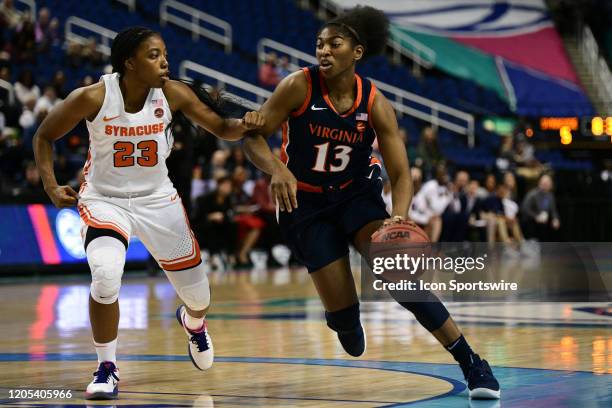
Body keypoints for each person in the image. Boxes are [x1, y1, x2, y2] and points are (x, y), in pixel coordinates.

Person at [243, 6, 500, 399]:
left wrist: (398, 217)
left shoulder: (375, 102)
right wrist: (277, 170)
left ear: (357, 52)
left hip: (355, 196)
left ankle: (472, 363)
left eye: (334, 44)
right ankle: (347, 318)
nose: (324, 51)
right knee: (345, 325)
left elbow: (400, 174)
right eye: (319, 45)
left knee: (399, 276)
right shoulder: (298, 85)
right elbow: (254, 135)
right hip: (306, 204)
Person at [33, 26, 264, 400]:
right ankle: (106, 366)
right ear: (129, 62)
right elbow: (44, 135)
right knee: (106, 277)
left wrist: (248, 123)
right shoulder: (93, 96)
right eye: (154, 55)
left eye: (164, 54)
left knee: (200, 298)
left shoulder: (172, 93)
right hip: (104, 199)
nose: (165, 61)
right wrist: (49, 183)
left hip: (158, 199)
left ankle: (194, 322)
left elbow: (222, 127)